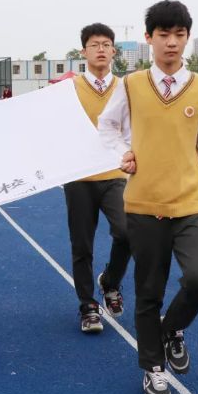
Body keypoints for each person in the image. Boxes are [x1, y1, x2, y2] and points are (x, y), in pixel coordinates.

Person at [99, 0, 198, 394]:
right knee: (148, 292)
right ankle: (153, 369)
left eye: (179, 35)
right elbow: (107, 125)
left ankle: (171, 329)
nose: (171, 42)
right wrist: (122, 151)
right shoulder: (131, 85)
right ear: (148, 38)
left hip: (190, 202)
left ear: (187, 38)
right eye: (163, 35)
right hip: (144, 202)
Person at [64, 23, 130, 333]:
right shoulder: (68, 90)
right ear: (84, 52)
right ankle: (88, 306)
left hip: (115, 174)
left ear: (114, 50)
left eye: (106, 44)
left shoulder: (127, 88)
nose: (100, 49)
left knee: (127, 233)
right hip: (79, 176)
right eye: (94, 44)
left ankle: (111, 281)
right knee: (82, 245)